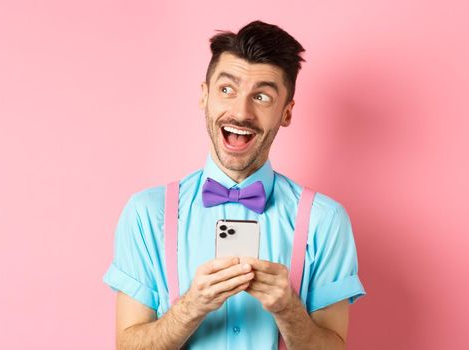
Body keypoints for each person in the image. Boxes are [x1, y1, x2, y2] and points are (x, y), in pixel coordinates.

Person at [103, 20, 366, 350]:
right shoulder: (146, 213)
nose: (241, 112)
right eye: (227, 90)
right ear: (204, 96)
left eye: (262, 96)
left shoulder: (325, 220)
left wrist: (288, 309)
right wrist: (191, 307)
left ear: (286, 112)